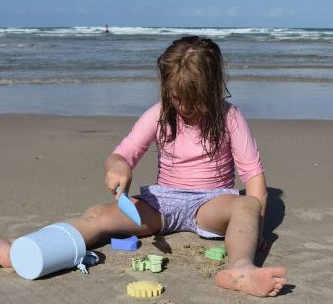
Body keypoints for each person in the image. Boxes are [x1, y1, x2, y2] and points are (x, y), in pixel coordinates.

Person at [0, 36, 286, 297]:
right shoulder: (160, 114)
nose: (183, 107)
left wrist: (257, 229)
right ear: (166, 88)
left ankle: (240, 268)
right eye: (176, 97)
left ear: (212, 89)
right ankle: (28, 248)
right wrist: (120, 167)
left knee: (247, 206)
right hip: (162, 202)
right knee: (97, 215)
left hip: (211, 204)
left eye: (193, 100)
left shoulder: (230, 117)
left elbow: (254, 179)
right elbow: (123, 154)